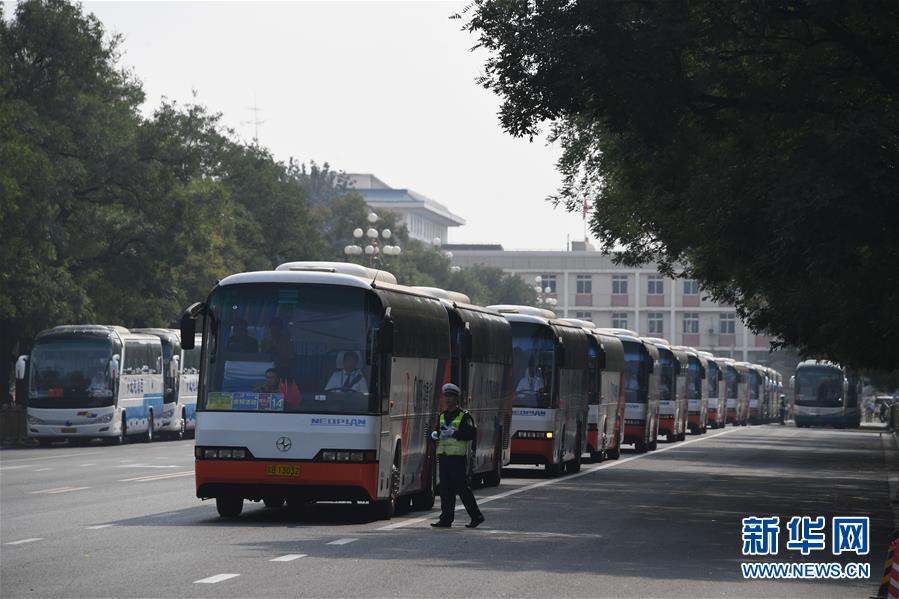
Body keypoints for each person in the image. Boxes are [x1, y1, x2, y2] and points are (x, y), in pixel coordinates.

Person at [429, 383, 485, 529]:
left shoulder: (464, 416)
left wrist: (455, 433)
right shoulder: (443, 415)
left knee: (462, 489)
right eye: (446, 396)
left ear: (456, 398)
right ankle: (446, 519)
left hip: (457, 459)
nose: (447, 399)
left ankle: (476, 516)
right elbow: (438, 433)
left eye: (450, 397)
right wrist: (435, 435)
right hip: (444, 457)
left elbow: (471, 434)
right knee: (445, 490)